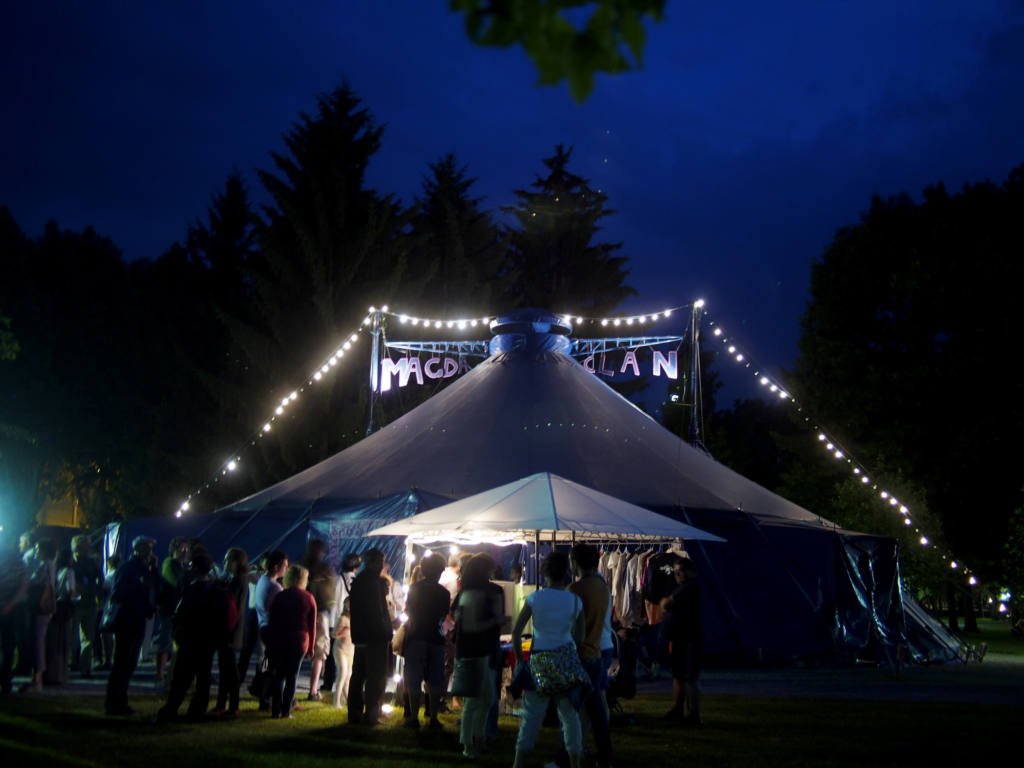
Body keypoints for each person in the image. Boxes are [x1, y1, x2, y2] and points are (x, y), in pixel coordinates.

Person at [511, 551, 586, 768]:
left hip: (538, 661)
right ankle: (575, 762)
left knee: (532, 716)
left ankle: (519, 762)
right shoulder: (575, 601)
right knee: (570, 717)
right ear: (567, 572)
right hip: (566, 660)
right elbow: (580, 637)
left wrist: (520, 660)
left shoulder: (535, 598)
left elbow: (516, 632)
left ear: (544, 572)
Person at [154, 551, 236, 723]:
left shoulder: (192, 590)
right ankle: (197, 710)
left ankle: (171, 709)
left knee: (181, 677)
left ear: (196, 568)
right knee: (203, 676)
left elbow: (181, 613)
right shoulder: (218, 590)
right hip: (209, 639)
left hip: (190, 638)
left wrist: (178, 632)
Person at [554, 543, 613, 768]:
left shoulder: (575, 589)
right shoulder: (602, 587)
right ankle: (605, 758)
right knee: (597, 714)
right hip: (596, 653)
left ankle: (564, 759)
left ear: (575, 562)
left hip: (578, 655)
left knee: (569, 714)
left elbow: (569, 625)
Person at [452, 552, 504, 758]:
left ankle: (476, 739)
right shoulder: (483, 592)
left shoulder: (465, 592)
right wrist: (497, 620)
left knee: (485, 698)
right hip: (478, 649)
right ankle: (469, 743)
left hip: (471, 649)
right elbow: (473, 625)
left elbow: (457, 617)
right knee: (477, 700)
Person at [105, 536, 159, 716]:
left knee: (129, 663)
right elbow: (118, 592)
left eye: (150, 548)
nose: (149, 551)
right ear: (136, 549)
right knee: (122, 662)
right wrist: (138, 587)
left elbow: (156, 588)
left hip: (139, 619)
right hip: (127, 619)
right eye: (146, 548)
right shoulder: (128, 568)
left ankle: (121, 701)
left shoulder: (146, 569)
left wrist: (154, 570)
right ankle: (114, 702)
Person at [401, 552, 449, 729]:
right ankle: (434, 717)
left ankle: (414, 717)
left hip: (416, 636)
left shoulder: (414, 589)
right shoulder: (444, 593)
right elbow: (444, 615)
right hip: (436, 638)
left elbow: (408, 611)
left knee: (413, 677)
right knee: (435, 679)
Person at [264, 564, 317, 719]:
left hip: (280, 638)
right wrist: (311, 647)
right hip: (300, 639)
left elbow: (272, 620)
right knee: (292, 676)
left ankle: (275, 710)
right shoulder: (308, 597)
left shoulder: (280, 596)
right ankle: (286, 711)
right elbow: (312, 625)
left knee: (279, 675)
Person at [347, 548, 392, 726]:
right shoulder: (375, 583)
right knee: (376, 676)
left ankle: (354, 713)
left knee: (358, 675)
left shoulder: (359, 581)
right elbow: (378, 612)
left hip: (360, 634)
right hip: (375, 636)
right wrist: (386, 631)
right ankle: (372, 714)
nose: (382, 564)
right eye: (380, 561)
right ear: (374, 561)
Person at [661, 556, 702, 726]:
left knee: (689, 676)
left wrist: (666, 603)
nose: (678, 575)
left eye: (681, 571)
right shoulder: (683, 588)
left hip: (689, 638)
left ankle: (693, 714)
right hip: (679, 637)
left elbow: (666, 603)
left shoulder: (690, 588)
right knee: (678, 675)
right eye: (676, 572)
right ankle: (678, 709)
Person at [213, 547, 248, 716]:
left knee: (230, 671)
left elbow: (230, 607)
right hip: (229, 631)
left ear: (236, 562)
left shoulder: (237, 581)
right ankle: (222, 704)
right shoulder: (235, 580)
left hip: (229, 631)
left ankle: (232, 706)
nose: (225, 563)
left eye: (228, 560)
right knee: (225, 670)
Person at [299, 539, 336, 701]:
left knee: (295, 651)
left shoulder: (300, 566)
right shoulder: (325, 570)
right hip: (319, 614)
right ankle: (313, 690)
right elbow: (329, 597)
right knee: (319, 653)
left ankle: (284, 687)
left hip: (299, 613)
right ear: (321, 552)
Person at [251, 550, 288, 710]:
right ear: (276, 567)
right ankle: (268, 698)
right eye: (285, 565)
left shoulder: (263, 581)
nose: (287, 568)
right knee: (272, 667)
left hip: (263, 627)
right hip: (272, 630)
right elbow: (278, 612)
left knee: (266, 665)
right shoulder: (274, 587)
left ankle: (265, 697)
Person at [23, 537, 57, 693]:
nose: (35, 551)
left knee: (38, 642)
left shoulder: (44, 565)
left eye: (37, 549)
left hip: (40, 608)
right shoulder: (49, 565)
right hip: (43, 608)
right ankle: (37, 678)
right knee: (39, 641)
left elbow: (35, 582)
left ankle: (37, 680)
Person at [154, 537, 187, 687]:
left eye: (186, 549)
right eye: (181, 549)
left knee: (177, 644)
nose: (184, 552)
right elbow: (177, 583)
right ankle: (160, 675)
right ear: (174, 549)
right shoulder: (169, 564)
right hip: (169, 609)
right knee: (165, 643)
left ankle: (172, 674)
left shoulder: (184, 566)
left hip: (180, 610)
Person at [70, 535, 103, 678]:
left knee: (88, 638)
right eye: (85, 545)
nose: (88, 548)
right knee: (70, 636)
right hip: (74, 604)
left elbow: (100, 579)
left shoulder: (92, 563)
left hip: (89, 603)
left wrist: (94, 589)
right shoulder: (70, 562)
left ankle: (85, 668)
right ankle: (70, 663)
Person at [43, 546, 75, 686]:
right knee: (63, 643)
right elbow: (70, 590)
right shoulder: (69, 572)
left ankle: (49, 673)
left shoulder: (53, 570)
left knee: (51, 642)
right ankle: (60, 676)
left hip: (52, 607)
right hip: (64, 608)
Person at [0, 544, 29, 694]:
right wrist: (12, 604)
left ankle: (5, 680)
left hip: (9, 609)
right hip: (12, 609)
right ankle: (5, 681)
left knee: (8, 647)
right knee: (8, 647)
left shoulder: (15, 563)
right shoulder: (18, 563)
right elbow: (24, 584)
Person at [98, 555, 120, 671]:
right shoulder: (122, 575)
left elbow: (104, 591)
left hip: (110, 608)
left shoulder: (110, 576)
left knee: (106, 634)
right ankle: (117, 659)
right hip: (120, 608)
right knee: (118, 635)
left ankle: (107, 660)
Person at [331, 597, 353, 709]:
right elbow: (334, 634)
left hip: (350, 650)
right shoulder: (343, 619)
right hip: (340, 649)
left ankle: (347, 700)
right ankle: (336, 701)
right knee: (342, 673)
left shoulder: (355, 619)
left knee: (348, 676)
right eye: (348, 604)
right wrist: (343, 632)